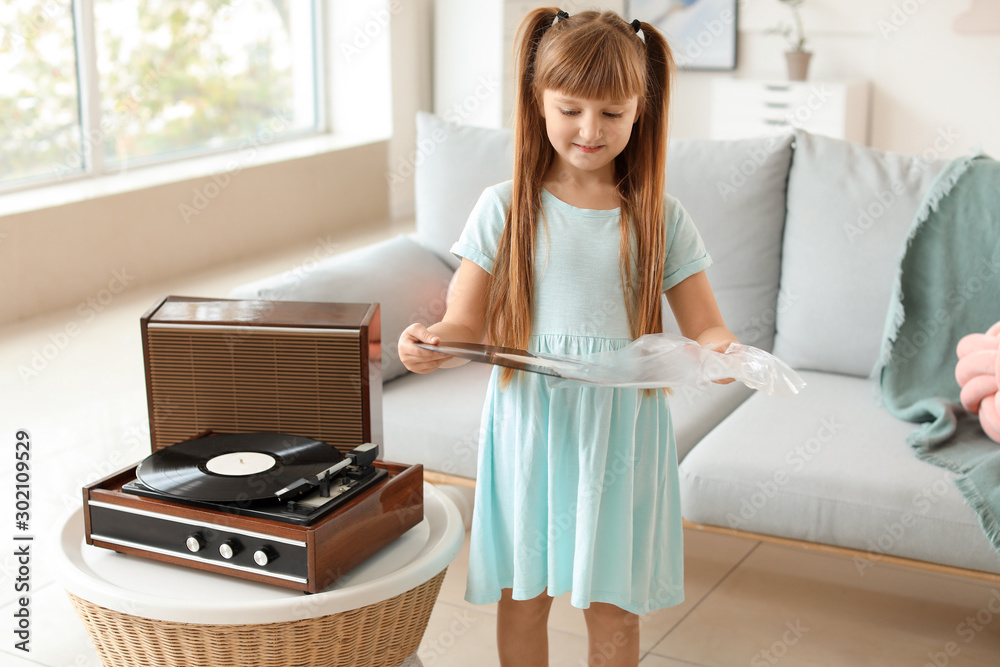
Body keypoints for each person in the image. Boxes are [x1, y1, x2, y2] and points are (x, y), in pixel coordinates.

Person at [398, 8, 737, 667]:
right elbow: (462, 325)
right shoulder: (504, 206)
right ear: (538, 103)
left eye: (612, 113)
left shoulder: (661, 217)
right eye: (571, 109)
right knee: (523, 594)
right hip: (532, 426)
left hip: (622, 434)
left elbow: (707, 325)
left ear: (641, 111)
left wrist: (722, 352)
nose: (590, 130)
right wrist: (430, 343)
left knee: (612, 603)